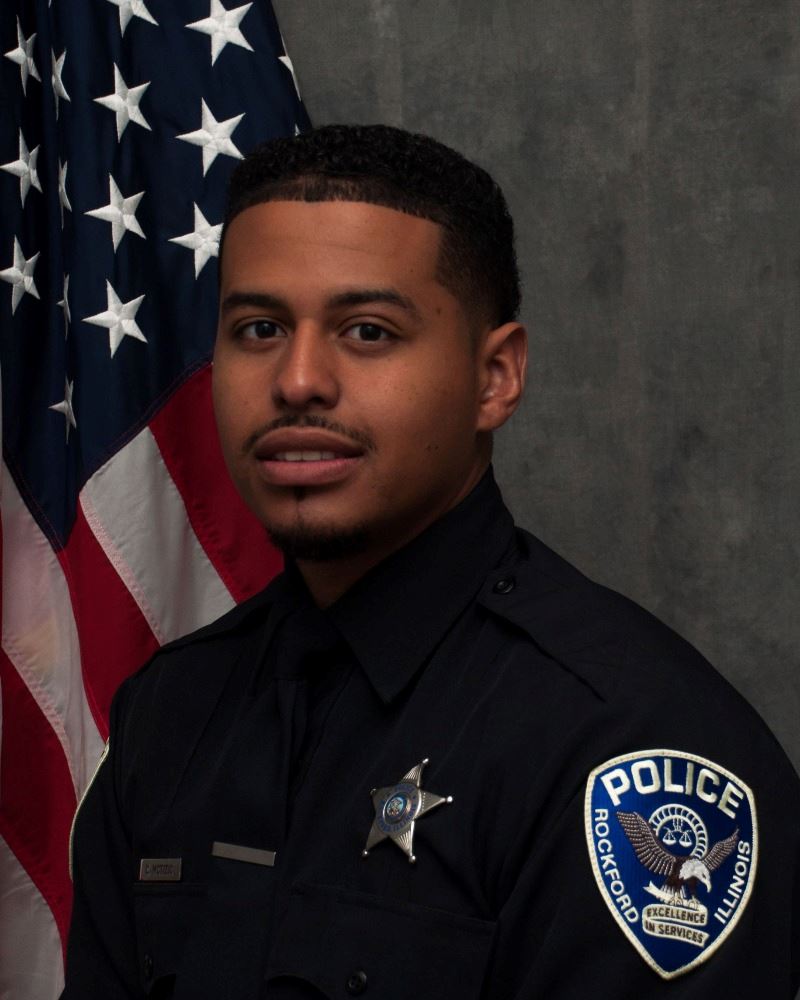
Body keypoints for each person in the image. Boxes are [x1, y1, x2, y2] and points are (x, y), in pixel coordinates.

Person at [63, 124, 800, 999]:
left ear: (495, 377)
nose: (297, 380)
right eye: (259, 328)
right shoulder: (168, 715)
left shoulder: (628, 747)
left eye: (367, 331)